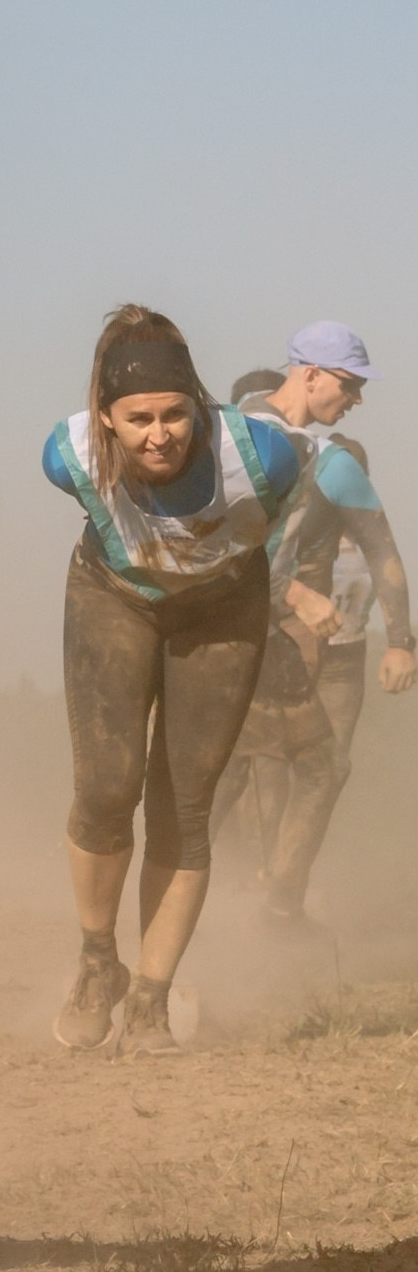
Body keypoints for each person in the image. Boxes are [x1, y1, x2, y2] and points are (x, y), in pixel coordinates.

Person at [45, 307, 306, 1058]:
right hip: (113, 596)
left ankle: (151, 1002)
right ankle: (100, 964)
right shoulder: (67, 458)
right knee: (106, 786)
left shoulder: (265, 456)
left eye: (174, 415)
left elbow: (272, 527)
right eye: (138, 420)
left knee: (184, 804)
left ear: (199, 405)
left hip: (223, 608)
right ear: (106, 418)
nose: (159, 434)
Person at [213, 334, 414, 918]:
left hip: (279, 638)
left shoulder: (328, 460)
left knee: (253, 766)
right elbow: (216, 544)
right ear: (310, 375)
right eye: (349, 385)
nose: (356, 399)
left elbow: (383, 550)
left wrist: (400, 640)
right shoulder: (242, 435)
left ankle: (268, 905)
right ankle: (242, 903)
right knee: (234, 768)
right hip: (247, 632)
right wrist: (297, 593)